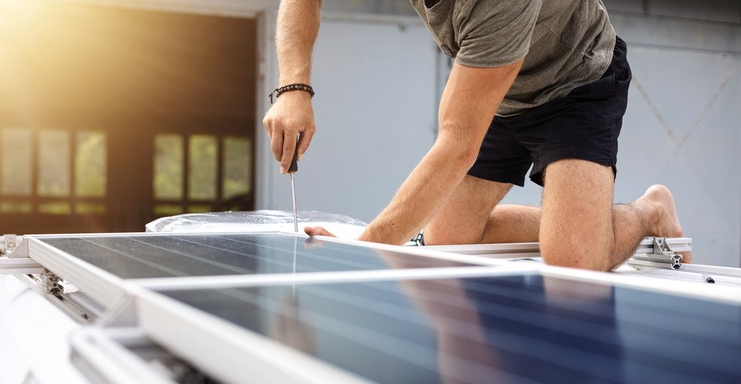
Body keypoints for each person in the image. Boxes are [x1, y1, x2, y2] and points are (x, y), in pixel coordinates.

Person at [262, 0, 690, 271]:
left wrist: (365, 250)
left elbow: (456, 146)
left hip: (574, 82)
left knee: (575, 262)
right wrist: (292, 88)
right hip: (495, 89)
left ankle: (648, 210)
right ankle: (577, 221)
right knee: (447, 241)